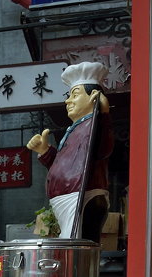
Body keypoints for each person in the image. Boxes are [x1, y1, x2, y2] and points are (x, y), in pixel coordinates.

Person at [26, 61, 112, 241]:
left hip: (83, 195)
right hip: (69, 196)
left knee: (78, 243)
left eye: (75, 95)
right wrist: (46, 151)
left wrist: (103, 115)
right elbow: (66, 164)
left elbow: (102, 149)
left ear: (93, 97)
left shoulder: (94, 125)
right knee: (72, 242)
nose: (68, 101)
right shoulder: (78, 128)